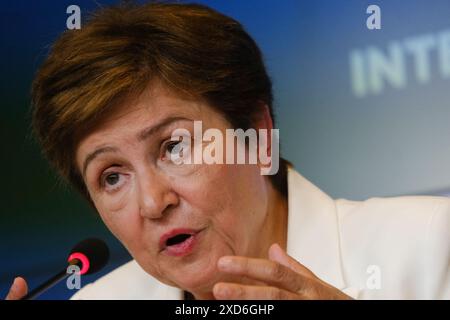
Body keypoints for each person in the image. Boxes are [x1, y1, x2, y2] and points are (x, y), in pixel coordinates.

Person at [5, 2, 449, 300]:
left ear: (257, 133)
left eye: (174, 147)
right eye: (112, 176)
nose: (153, 202)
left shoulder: (429, 244)